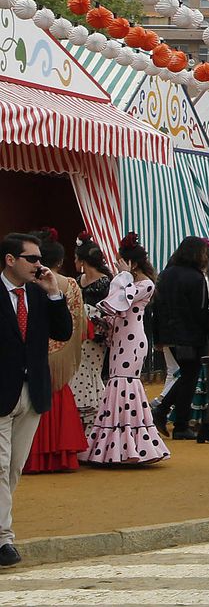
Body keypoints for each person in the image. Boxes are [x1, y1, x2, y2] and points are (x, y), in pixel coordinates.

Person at [1, 232, 74, 566]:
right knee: (0, 467)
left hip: (33, 393)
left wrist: (55, 294)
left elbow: (62, 334)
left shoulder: (40, 292)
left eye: (40, 259)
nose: (39, 265)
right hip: (2, 392)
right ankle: (4, 540)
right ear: (10, 260)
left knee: (13, 467)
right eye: (32, 259)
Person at [80, 234, 169, 466]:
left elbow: (122, 300)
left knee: (124, 383)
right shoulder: (130, 282)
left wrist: (123, 275)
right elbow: (114, 306)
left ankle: (130, 447)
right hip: (120, 338)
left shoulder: (145, 284)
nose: (117, 265)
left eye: (121, 261)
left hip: (132, 341)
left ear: (133, 263)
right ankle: (115, 447)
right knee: (116, 383)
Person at [22, 230, 88, 473]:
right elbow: (79, 325)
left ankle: (33, 458)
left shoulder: (25, 285)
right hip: (63, 353)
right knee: (59, 399)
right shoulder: (69, 284)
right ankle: (60, 456)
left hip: (32, 355)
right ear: (60, 261)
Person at [151, 236, 209, 441]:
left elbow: (156, 309)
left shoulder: (166, 275)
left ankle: (165, 412)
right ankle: (179, 423)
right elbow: (201, 311)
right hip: (191, 336)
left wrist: (158, 337)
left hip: (170, 335)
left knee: (186, 376)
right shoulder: (196, 278)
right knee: (189, 377)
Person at [69, 235, 111, 434]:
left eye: (76, 259)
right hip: (78, 336)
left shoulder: (106, 282)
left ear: (84, 261)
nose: (75, 263)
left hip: (95, 338)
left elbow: (110, 312)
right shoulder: (79, 281)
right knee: (77, 374)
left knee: (90, 374)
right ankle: (83, 426)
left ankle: (96, 423)